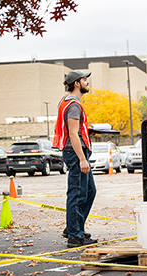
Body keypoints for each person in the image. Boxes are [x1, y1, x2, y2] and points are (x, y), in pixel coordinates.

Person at [53, 70, 98, 248]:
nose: (87, 82)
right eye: (85, 79)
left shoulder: (67, 102)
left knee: (89, 191)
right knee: (77, 194)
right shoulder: (73, 105)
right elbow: (72, 133)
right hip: (75, 152)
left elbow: (75, 129)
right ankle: (74, 236)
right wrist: (82, 159)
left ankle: (73, 227)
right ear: (77, 84)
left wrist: (88, 129)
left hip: (75, 150)